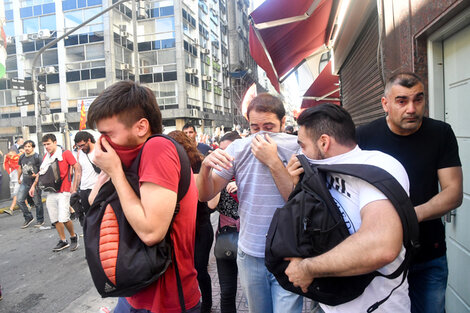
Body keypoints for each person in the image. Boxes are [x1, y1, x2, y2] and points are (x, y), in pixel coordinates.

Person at [86, 80, 201, 313]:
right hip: (136, 293)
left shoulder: (157, 148)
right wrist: (108, 170)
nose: (102, 144)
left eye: (108, 135)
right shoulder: (130, 158)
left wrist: (116, 172)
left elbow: (151, 232)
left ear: (140, 127)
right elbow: (93, 202)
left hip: (166, 301)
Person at [285, 103, 410, 312]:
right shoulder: (318, 171)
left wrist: (307, 268)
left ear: (324, 142)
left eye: (303, 145)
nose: (300, 153)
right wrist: (297, 186)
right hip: (328, 303)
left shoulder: (378, 166)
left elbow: (381, 246)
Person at [356, 72, 463, 313]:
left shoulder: (441, 133)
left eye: (418, 99)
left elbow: (454, 192)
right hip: (379, 260)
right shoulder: (363, 137)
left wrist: (410, 216)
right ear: (385, 104)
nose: (412, 109)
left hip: (429, 255)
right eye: (402, 101)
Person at [197, 93, 303, 313]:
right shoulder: (238, 148)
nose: (262, 133)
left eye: (269, 126)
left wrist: (273, 161)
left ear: (284, 123)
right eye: (255, 128)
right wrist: (205, 168)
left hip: (289, 252)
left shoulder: (298, 148)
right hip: (250, 252)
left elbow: (294, 200)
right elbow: (205, 195)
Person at [168, 130, 213, 313]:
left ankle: (207, 306)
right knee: (185, 271)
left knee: (199, 270)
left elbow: (211, 203)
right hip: (181, 229)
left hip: (200, 227)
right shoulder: (171, 167)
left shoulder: (199, 165)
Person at [207, 131, 241, 313]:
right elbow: (211, 204)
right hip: (227, 236)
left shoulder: (251, 172)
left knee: (256, 292)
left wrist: (241, 185)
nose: (225, 156)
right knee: (227, 291)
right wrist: (218, 177)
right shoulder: (219, 175)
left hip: (252, 238)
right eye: (221, 151)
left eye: (229, 151)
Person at [29, 134, 81, 252]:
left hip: (64, 191)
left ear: (55, 142)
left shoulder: (65, 153)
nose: (46, 147)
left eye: (48, 144)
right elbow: (41, 173)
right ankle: (63, 240)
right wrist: (33, 186)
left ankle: (73, 236)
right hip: (51, 191)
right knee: (54, 219)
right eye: (44, 145)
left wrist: (74, 186)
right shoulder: (47, 157)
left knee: (64, 217)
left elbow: (77, 167)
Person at [73, 131, 100, 226]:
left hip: (97, 189)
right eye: (78, 146)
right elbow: (78, 172)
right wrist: (74, 189)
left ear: (89, 140)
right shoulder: (80, 153)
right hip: (84, 189)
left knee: (99, 217)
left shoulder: (99, 150)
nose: (81, 148)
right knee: (88, 218)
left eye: (82, 145)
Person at [17, 140, 44, 228]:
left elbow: (43, 170)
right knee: (20, 200)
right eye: (25, 146)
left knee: (37, 202)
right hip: (25, 182)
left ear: (33, 147)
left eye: (29, 146)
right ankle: (28, 217)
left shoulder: (37, 157)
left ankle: (40, 220)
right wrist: (18, 178)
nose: (27, 148)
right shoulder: (22, 157)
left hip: (35, 183)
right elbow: (20, 168)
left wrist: (35, 175)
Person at [3, 148, 20, 215]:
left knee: (15, 194)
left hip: (18, 179)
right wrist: (5, 159)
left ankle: (11, 209)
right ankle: (27, 206)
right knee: (19, 194)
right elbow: (4, 168)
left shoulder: (18, 159)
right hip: (13, 179)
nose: (11, 156)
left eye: (12, 154)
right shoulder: (9, 161)